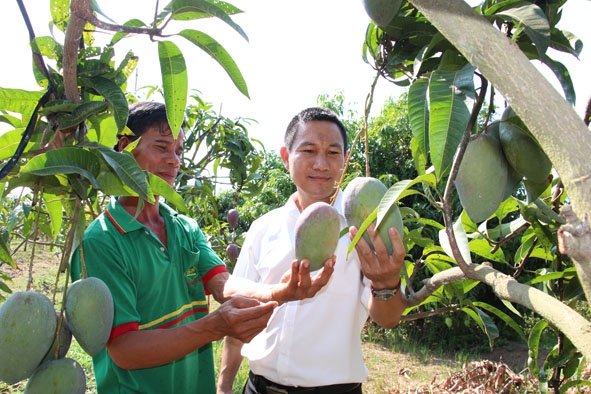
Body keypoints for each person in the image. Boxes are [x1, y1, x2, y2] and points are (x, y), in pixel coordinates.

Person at [70, 101, 334, 394]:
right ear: (125, 147)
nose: (175, 161)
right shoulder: (102, 241)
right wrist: (214, 326)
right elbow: (125, 350)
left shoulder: (184, 227)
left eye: (179, 151)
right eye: (162, 147)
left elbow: (223, 285)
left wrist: (281, 293)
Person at [217, 107, 407, 394]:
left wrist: (387, 283)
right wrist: (224, 385)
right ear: (285, 158)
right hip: (258, 387)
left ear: (344, 160)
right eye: (308, 150)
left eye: (333, 153)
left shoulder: (362, 227)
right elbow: (239, 308)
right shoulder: (263, 228)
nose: (321, 163)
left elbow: (388, 318)